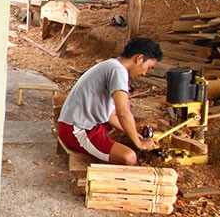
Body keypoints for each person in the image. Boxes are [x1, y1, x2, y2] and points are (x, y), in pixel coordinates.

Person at [57, 37, 162, 166]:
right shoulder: (118, 71)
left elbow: (111, 116)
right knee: (129, 157)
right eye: (148, 67)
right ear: (139, 58)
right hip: (77, 129)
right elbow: (123, 112)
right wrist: (139, 143)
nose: (145, 73)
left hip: (77, 125)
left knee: (115, 132)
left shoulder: (113, 65)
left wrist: (135, 135)